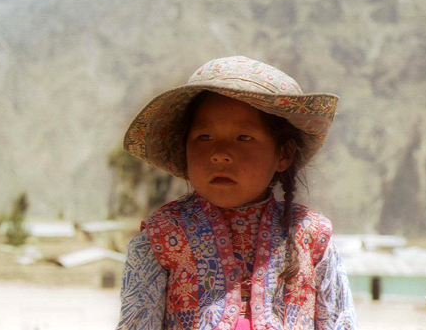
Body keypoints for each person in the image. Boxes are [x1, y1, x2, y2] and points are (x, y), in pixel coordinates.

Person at [117, 56, 358, 329]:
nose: (219, 154)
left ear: (284, 154)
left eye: (244, 138)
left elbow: (340, 323)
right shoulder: (161, 237)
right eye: (204, 137)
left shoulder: (312, 237)